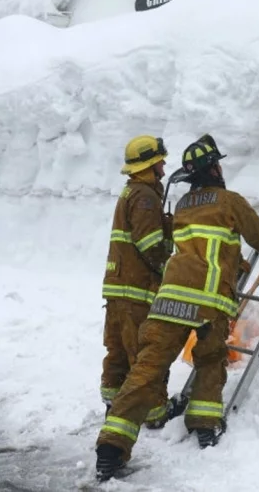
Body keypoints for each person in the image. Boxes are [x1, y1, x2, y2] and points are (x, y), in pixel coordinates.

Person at [94, 134, 259, 482]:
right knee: (210, 360)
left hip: (168, 300)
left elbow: (200, 247)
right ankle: (205, 425)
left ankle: (110, 449)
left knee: (146, 370)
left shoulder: (182, 206)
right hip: (209, 302)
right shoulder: (230, 202)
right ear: (215, 168)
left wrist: (232, 259)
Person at [100, 135, 174, 429]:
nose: (165, 166)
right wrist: (169, 268)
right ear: (151, 165)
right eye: (161, 161)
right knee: (144, 356)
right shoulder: (145, 197)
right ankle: (154, 414)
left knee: (117, 352)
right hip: (135, 291)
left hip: (118, 289)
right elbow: (150, 244)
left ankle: (113, 405)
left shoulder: (131, 192)